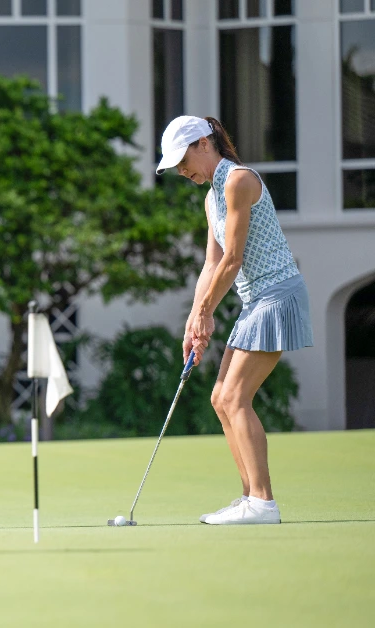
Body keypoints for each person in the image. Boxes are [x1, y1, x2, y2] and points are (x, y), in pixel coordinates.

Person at [157, 115, 313, 525]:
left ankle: (263, 503)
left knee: (234, 398)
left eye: (183, 159)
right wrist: (194, 320)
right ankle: (249, 499)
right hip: (254, 300)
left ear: (204, 144)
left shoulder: (238, 180)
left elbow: (233, 259)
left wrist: (208, 312)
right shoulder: (212, 197)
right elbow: (211, 263)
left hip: (276, 294)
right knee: (219, 399)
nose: (181, 170)